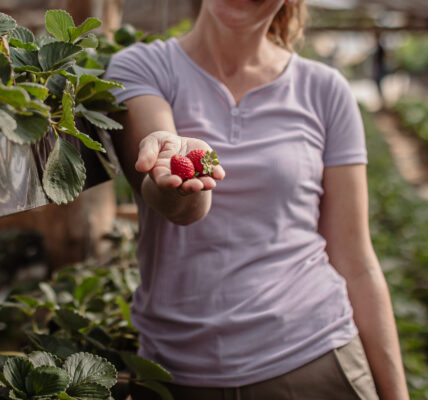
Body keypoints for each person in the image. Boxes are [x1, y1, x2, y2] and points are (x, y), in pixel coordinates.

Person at [105, 0, 410, 399]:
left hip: (315, 358)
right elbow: (177, 207)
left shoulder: (325, 90)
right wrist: (179, 170)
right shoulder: (141, 67)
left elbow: (356, 262)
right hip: (176, 375)